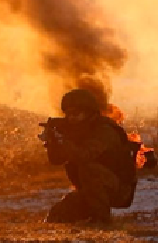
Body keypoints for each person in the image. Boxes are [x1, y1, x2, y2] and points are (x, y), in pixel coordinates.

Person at [40, 88, 138, 225]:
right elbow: (56, 160)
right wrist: (53, 143)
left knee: (89, 169)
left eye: (76, 113)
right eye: (68, 114)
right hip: (92, 190)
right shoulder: (77, 130)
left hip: (120, 190)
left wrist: (64, 141)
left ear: (89, 112)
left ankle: (102, 221)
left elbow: (84, 156)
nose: (71, 118)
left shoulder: (105, 131)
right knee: (59, 214)